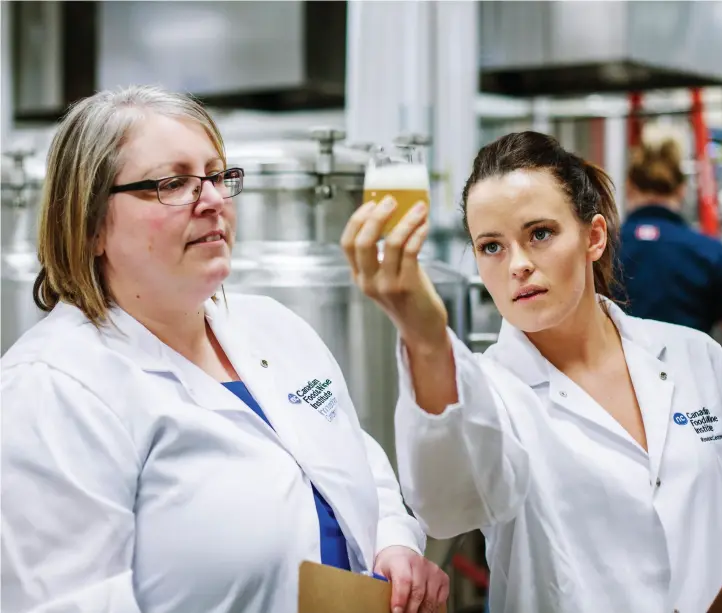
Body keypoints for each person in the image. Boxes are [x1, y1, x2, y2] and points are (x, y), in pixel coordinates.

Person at [0, 85, 448, 613]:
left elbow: (355, 458)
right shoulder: (52, 389)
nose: (212, 199)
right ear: (91, 223)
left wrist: (392, 542)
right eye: (174, 182)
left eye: (216, 176)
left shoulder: (275, 327)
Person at [341, 131, 722, 613]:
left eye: (540, 234)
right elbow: (447, 507)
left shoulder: (694, 357)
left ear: (593, 237)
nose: (518, 265)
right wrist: (426, 338)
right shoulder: (487, 391)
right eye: (491, 246)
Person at [619, 134, 722, 351]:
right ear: (681, 190)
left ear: (629, 187)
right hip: (691, 381)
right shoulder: (711, 253)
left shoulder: (596, 250)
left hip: (611, 381)